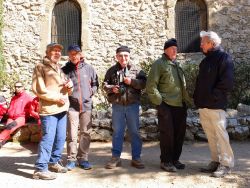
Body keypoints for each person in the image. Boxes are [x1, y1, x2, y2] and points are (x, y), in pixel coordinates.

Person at [146, 38, 192, 172]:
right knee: (168, 134)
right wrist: (160, 102)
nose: (175, 51)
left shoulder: (177, 65)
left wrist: (186, 101)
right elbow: (151, 86)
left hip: (179, 105)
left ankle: (175, 159)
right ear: (165, 50)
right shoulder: (159, 64)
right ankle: (166, 161)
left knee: (179, 134)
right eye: (173, 49)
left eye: (176, 49)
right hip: (166, 105)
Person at [193, 31, 234, 178]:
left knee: (221, 135)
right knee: (211, 135)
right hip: (204, 105)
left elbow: (227, 83)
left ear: (212, 43)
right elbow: (201, 83)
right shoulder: (206, 61)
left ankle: (227, 164)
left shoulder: (224, 58)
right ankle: (216, 161)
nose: (201, 45)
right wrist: (198, 98)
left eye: (203, 42)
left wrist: (212, 97)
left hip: (216, 105)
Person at [32, 43, 73, 180]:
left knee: (60, 138)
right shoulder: (40, 67)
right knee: (48, 139)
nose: (57, 53)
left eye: (59, 51)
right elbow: (38, 89)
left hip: (62, 109)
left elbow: (64, 87)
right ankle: (40, 168)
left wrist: (69, 86)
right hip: (49, 110)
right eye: (54, 51)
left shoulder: (59, 68)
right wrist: (56, 98)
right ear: (47, 52)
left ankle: (53, 162)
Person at [103, 46, 146, 169]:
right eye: (120, 56)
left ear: (129, 56)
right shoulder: (111, 71)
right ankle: (116, 158)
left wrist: (132, 82)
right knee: (117, 132)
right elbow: (104, 85)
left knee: (134, 132)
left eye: (126, 55)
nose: (123, 58)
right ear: (116, 57)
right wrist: (112, 88)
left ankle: (136, 158)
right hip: (117, 106)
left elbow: (143, 84)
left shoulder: (137, 70)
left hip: (133, 106)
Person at [62, 45, 99, 170]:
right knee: (72, 134)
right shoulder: (64, 70)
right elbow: (61, 87)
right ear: (68, 55)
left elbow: (95, 84)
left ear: (80, 54)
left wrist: (90, 92)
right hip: (72, 106)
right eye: (71, 53)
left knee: (85, 133)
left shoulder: (89, 68)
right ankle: (71, 159)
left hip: (86, 106)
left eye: (76, 53)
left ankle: (83, 158)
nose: (74, 56)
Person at [0, 82, 33, 148]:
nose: (17, 88)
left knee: (10, 127)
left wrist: (26, 115)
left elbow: (31, 108)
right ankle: (1, 142)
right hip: (11, 117)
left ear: (23, 87)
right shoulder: (14, 98)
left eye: (19, 86)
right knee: (8, 127)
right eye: (15, 87)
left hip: (21, 117)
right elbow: (10, 108)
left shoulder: (28, 97)